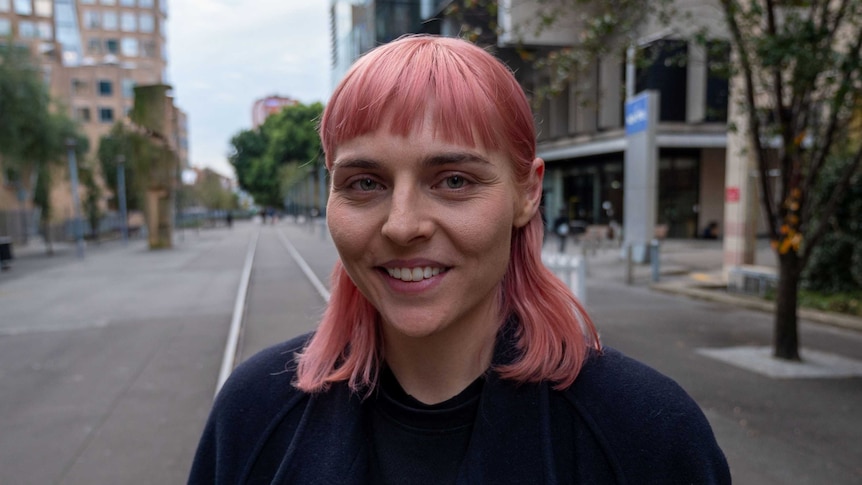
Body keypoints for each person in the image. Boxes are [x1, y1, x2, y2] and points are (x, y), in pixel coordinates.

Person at [188, 35, 730, 484]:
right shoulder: (253, 414)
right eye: (365, 182)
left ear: (527, 193)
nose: (403, 225)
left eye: (453, 180)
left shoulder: (645, 436)